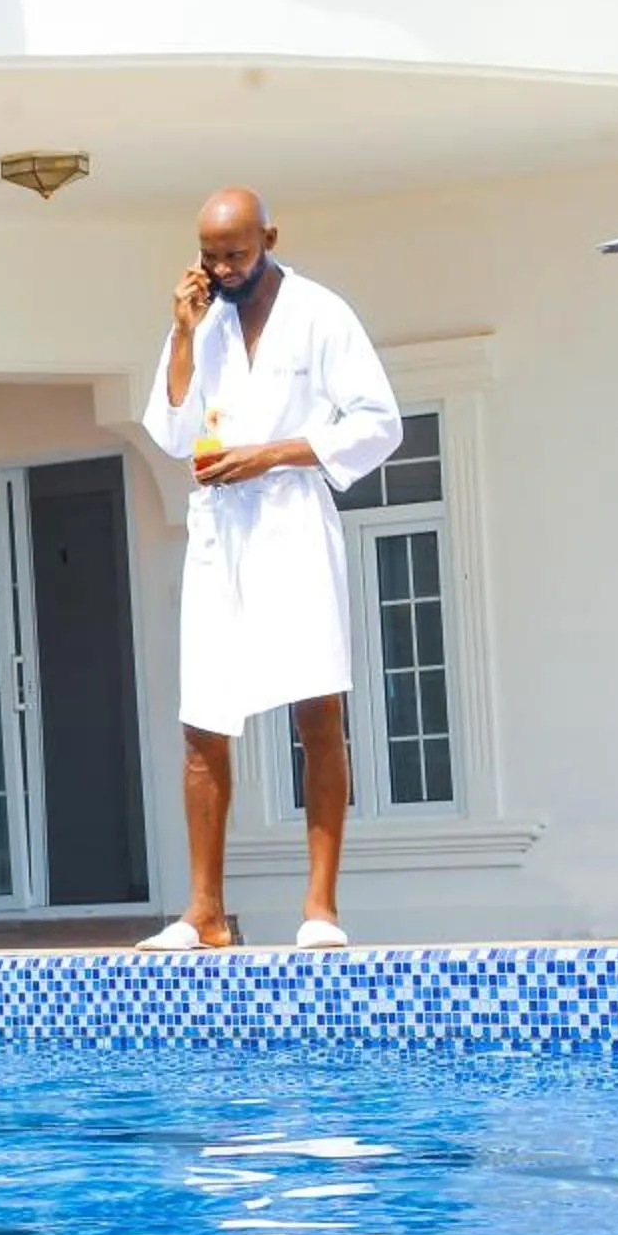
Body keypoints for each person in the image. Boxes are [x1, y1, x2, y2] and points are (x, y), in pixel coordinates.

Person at [137, 188, 401, 952]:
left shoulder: (320, 313)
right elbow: (172, 433)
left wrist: (275, 453)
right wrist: (181, 334)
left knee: (317, 713)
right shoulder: (203, 320)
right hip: (219, 532)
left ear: (270, 239)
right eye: (210, 256)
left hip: (292, 521)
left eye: (236, 254)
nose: (222, 269)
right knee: (202, 722)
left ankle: (320, 908)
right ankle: (205, 913)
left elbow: (379, 422)